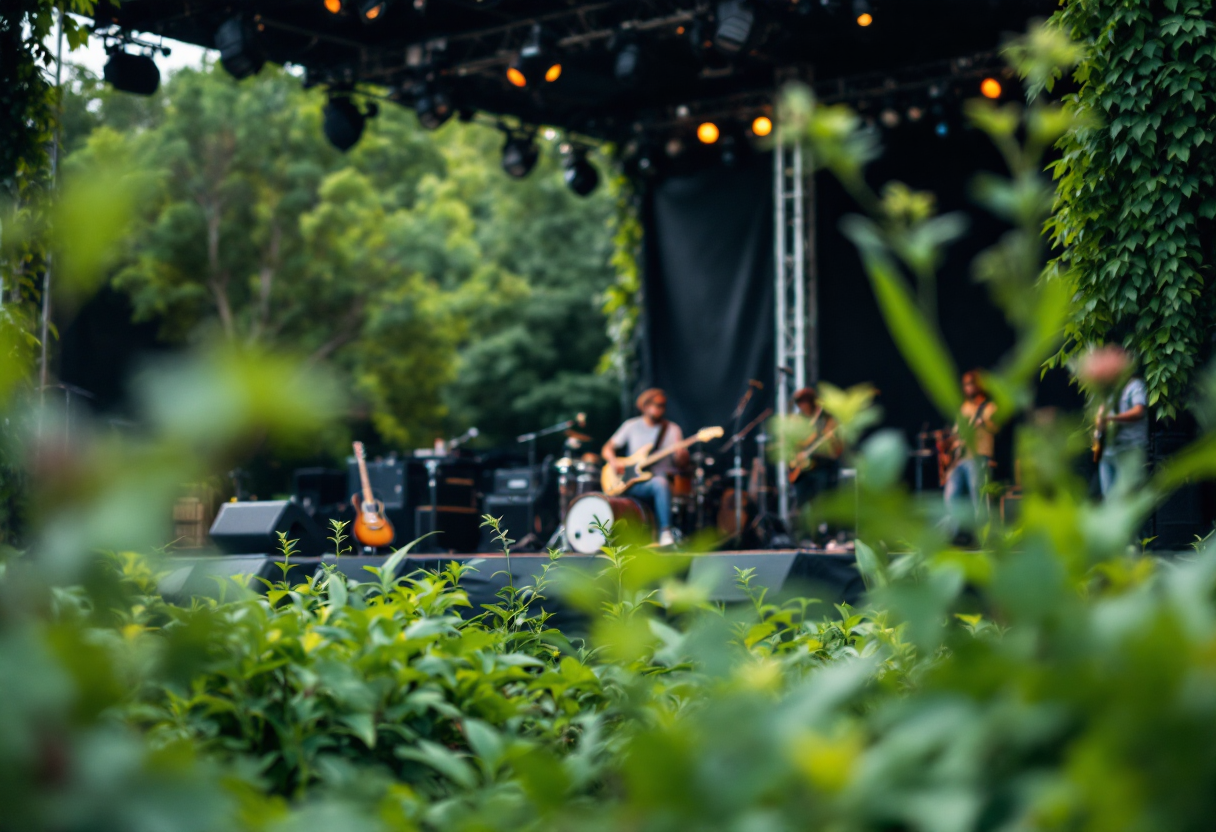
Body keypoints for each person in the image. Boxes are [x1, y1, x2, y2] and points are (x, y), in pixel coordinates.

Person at [602, 388, 688, 547]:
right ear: (645, 405)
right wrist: (614, 462)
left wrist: (682, 457)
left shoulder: (672, 429)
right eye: (657, 404)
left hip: (659, 482)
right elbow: (607, 448)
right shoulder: (631, 426)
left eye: (664, 405)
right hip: (631, 483)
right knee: (659, 483)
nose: (661, 408)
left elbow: (681, 464)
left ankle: (665, 533)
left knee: (660, 482)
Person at [942, 370, 998, 526]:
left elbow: (995, 427)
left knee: (979, 500)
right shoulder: (964, 407)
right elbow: (956, 432)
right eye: (966, 384)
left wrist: (985, 423)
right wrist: (953, 446)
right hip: (960, 459)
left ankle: (984, 537)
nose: (968, 388)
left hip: (978, 457)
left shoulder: (989, 407)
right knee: (951, 497)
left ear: (978, 385)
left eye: (971, 384)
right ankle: (955, 535)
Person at [1097, 371, 1149, 497]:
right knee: (1108, 497)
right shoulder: (1111, 389)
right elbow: (1101, 415)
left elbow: (1139, 411)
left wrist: (1113, 418)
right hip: (1108, 449)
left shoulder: (1135, 385)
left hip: (1129, 448)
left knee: (1127, 496)